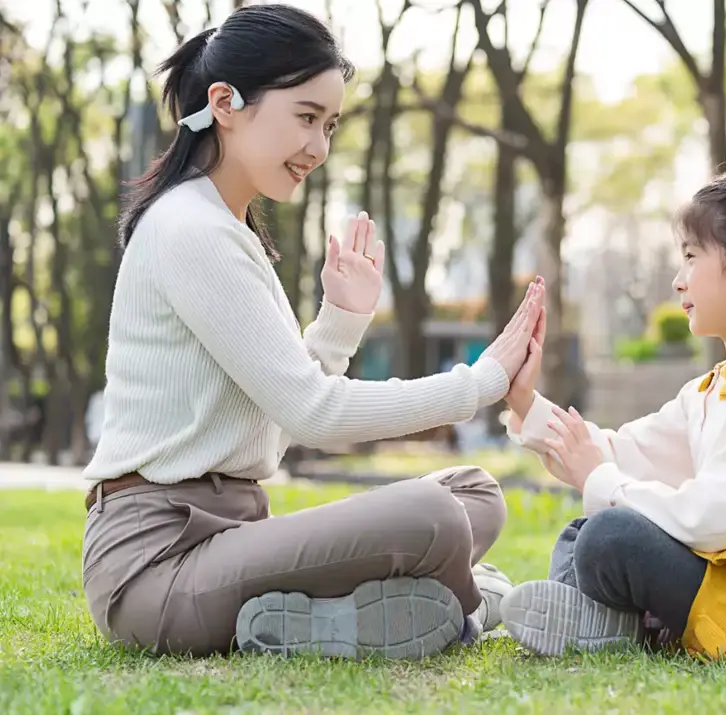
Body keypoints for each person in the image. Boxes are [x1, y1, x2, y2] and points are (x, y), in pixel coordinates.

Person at [81, 4, 537, 662]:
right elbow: (313, 411)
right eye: (305, 117)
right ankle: (469, 600)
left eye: (329, 125)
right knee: (430, 517)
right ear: (226, 102)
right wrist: (482, 382)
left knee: (472, 494)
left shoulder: (227, 230)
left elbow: (281, 410)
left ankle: (328, 617)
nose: (319, 148)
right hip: (156, 567)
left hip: (231, 538)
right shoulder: (189, 229)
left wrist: (341, 320)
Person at [497, 170, 726, 665]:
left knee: (610, 535)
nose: (678, 278)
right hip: (716, 578)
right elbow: (622, 454)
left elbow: (708, 518)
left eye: (691, 256)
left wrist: (601, 479)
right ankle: (587, 618)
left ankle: (598, 621)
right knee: (582, 533)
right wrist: (525, 403)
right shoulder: (710, 392)